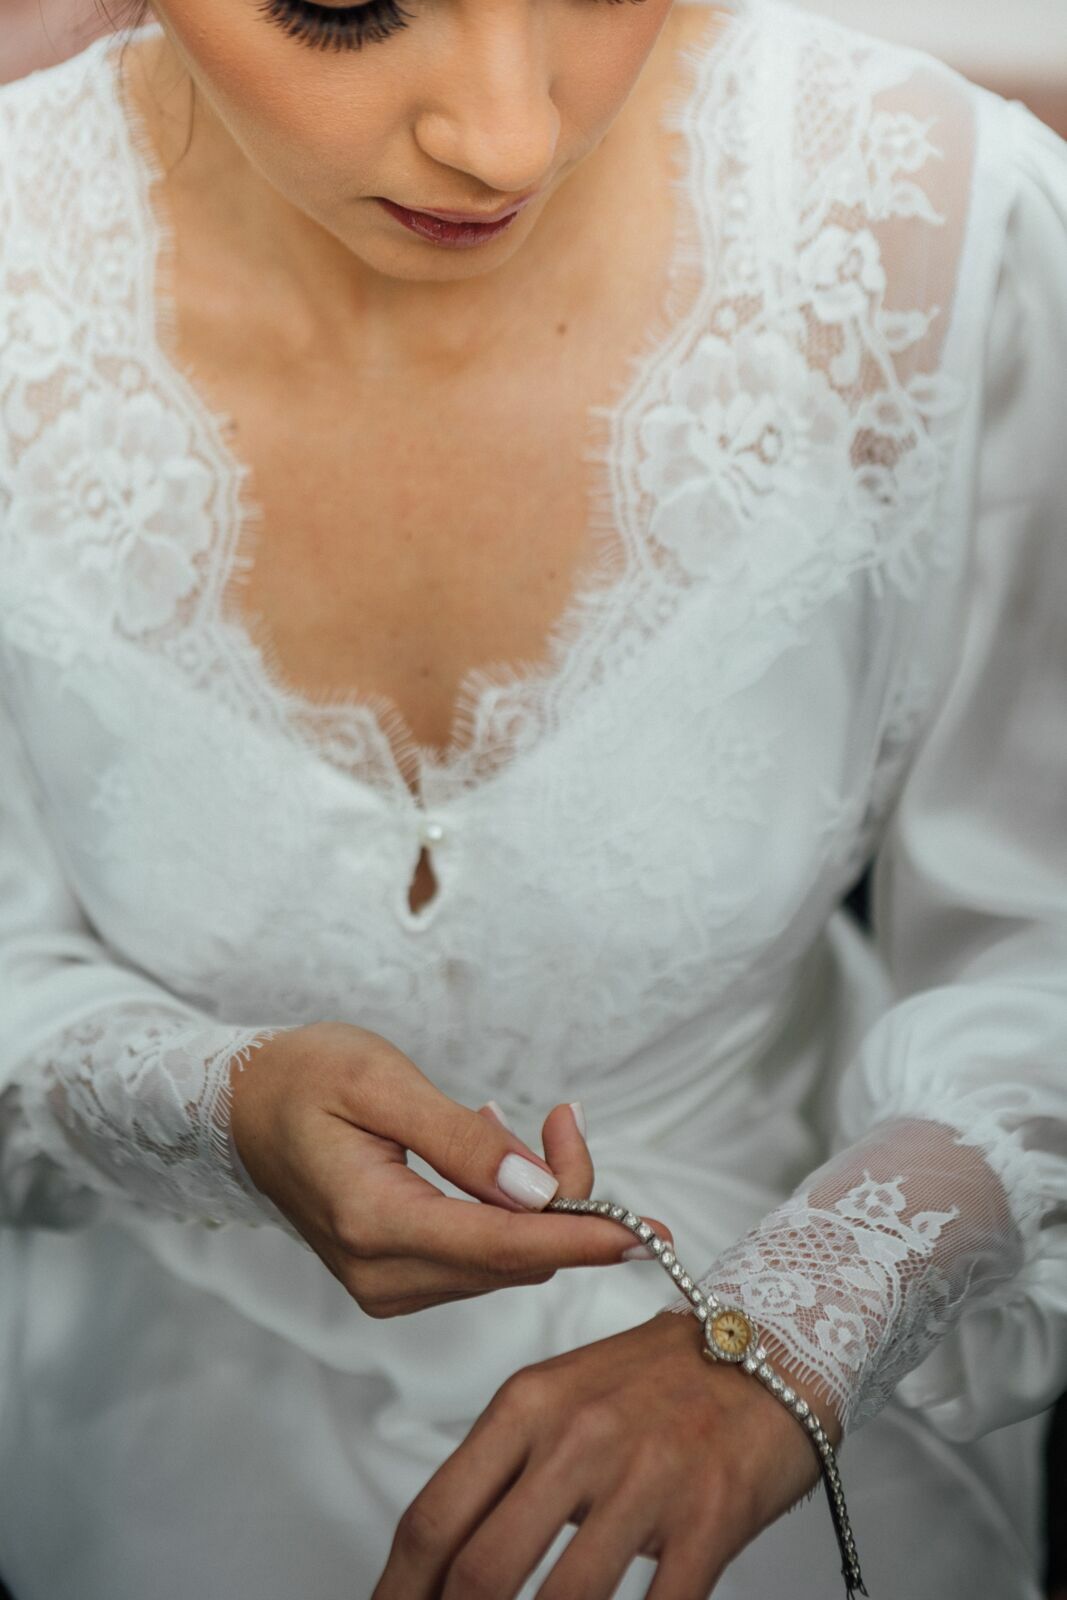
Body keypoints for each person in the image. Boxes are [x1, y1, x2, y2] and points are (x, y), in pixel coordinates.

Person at [0, 0, 1064, 1595]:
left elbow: (1051, 945)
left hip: (837, 1473)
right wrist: (208, 1110)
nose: (507, 138)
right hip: (168, 1467)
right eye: (343, 3)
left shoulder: (947, 237)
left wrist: (801, 1325)